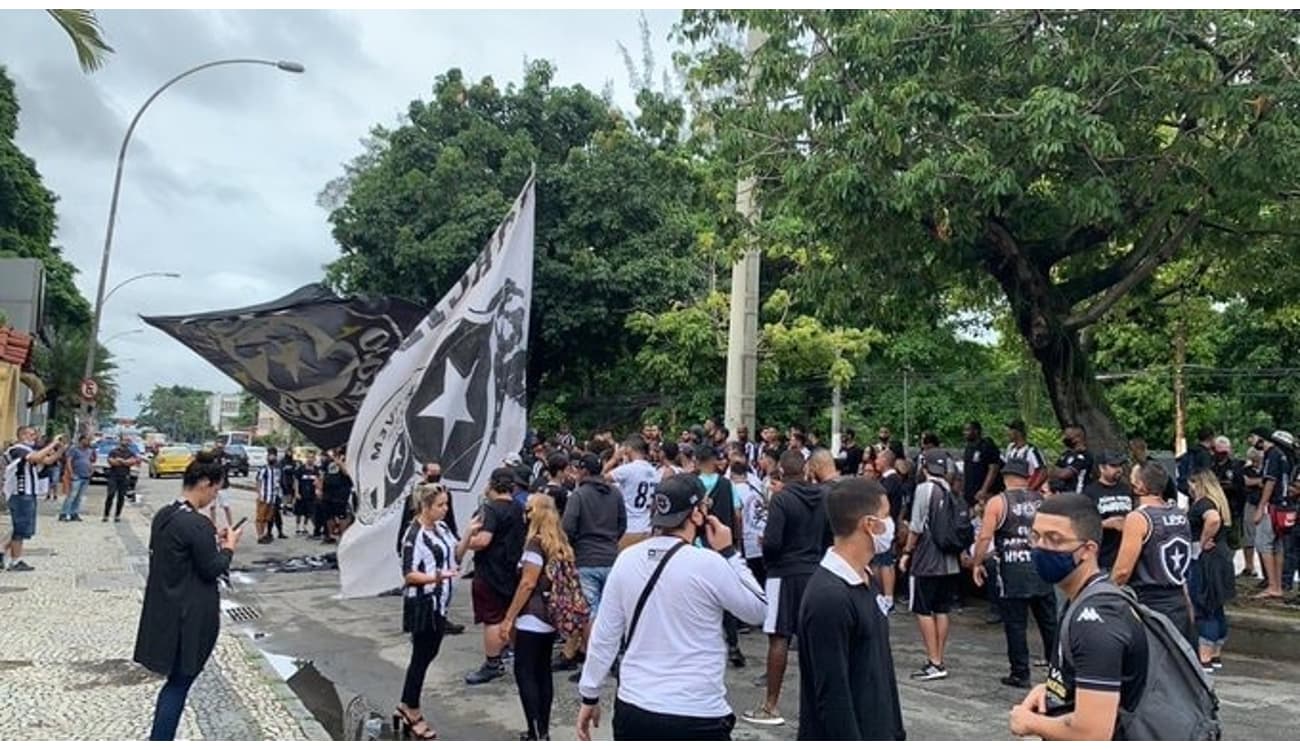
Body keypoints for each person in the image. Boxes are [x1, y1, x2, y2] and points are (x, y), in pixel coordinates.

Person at [575, 473, 767, 741]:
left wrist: (590, 694)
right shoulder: (709, 564)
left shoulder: (626, 560)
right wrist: (729, 553)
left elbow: (605, 636)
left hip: (635, 707)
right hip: (696, 711)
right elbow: (758, 609)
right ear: (697, 514)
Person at [1008, 494, 1149, 741]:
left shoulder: (1095, 622)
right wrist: (1053, 690)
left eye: (1054, 539)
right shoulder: (1084, 597)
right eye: (1036, 536)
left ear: (1087, 550)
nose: (1041, 547)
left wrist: (1030, 722)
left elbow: (1093, 733)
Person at [133, 454, 243, 740]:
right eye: (216, 491)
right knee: (179, 683)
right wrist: (229, 547)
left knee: (176, 682)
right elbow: (212, 568)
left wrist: (211, 540)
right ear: (205, 483)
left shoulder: (166, 515)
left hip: (167, 608)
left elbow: (183, 556)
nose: (214, 498)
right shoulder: (197, 524)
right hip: (190, 615)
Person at [796, 477, 905, 740]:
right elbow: (833, 695)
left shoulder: (866, 580)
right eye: (886, 516)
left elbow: (880, 668)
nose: (892, 526)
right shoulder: (829, 598)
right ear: (869, 524)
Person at [743, 449, 830, 726]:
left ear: (781, 471)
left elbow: (771, 542)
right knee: (813, 638)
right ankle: (819, 704)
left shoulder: (782, 500)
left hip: (783, 573)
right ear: (805, 470)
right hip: (814, 572)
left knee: (779, 636)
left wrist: (769, 561)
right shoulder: (823, 497)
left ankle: (771, 705)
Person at [971, 457, 1057, 688]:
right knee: (1049, 622)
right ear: (1027, 477)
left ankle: (1021, 673)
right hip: (1042, 566)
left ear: (1005, 477)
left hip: (1012, 569)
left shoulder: (998, 503)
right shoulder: (1043, 500)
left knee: (1016, 624)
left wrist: (977, 563)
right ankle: (1057, 668)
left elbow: (985, 537)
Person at [395, 483, 464, 740]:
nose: (445, 510)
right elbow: (409, 574)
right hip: (423, 603)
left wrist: (469, 536)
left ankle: (406, 704)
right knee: (421, 657)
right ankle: (410, 708)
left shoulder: (442, 528)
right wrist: (436, 576)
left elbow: (455, 553)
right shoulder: (413, 535)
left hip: (440, 601)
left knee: (427, 654)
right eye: (440, 505)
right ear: (425, 506)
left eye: (446, 505)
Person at [502, 494, 572, 740]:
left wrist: (509, 618)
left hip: (532, 616)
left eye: (529, 509)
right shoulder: (560, 542)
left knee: (526, 673)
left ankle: (534, 732)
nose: (525, 513)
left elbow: (527, 583)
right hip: (551, 617)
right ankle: (543, 730)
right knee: (543, 672)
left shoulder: (535, 545)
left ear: (539, 512)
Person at [556, 453, 626, 675]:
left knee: (590, 613)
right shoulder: (615, 493)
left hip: (586, 560)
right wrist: (610, 540)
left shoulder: (579, 495)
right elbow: (622, 524)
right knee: (611, 613)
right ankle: (613, 657)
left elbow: (567, 527)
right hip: (611, 557)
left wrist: (574, 547)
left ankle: (593, 663)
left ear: (584, 471)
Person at [1112, 461, 1195, 645]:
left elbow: (1122, 571)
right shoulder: (1180, 514)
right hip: (1177, 598)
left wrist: (1108, 591)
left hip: (1150, 602)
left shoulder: (1139, 518)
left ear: (1140, 485)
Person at [899, 449, 961, 681]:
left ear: (924, 467)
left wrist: (906, 553)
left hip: (927, 559)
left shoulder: (924, 489)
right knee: (942, 609)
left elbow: (916, 526)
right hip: (949, 561)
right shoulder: (949, 490)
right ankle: (939, 657)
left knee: (923, 609)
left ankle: (934, 661)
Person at [464, 467, 526, 685]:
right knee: (511, 615)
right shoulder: (520, 508)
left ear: (492, 484)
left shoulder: (490, 510)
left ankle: (492, 663)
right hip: (512, 569)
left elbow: (483, 541)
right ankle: (519, 656)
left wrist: (463, 542)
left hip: (490, 570)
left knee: (492, 618)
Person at [1186, 471, 1235, 672]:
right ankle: (1215, 653)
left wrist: (1202, 541)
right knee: (1216, 607)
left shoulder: (1204, 503)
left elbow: (1212, 519)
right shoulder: (1219, 501)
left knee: (1204, 605)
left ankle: (1204, 655)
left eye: (1191, 484)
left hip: (1207, 560)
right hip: (1222, 557)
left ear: (1198, 484)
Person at [3, 426, 63, 571]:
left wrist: (61, 449)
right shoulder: (17, 449)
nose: (34, 437)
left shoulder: (29, 450)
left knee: (22, 528)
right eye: (31, 434)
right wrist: (52, 444)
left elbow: (47, 461)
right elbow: (35, 458)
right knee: (20, 529)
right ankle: (15, 561)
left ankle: (4, 553)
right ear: (22, 435)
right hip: (20, 492)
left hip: (29, 493)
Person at [1250, 427, 1293, 599]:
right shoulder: (1283, 455)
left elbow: (1270, 482)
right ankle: (1278, 584)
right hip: (1284, 505)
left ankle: (1273, 585)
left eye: (1252, 437)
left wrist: (1261, 507)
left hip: (1272, 506)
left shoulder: (1271, 454)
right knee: (1278, 545)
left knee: (1264, 543)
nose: (1251, 441)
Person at [1081, 451, 1134, 573]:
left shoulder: (1126, 489)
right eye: (1114, 466)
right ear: (1102, 468)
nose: (1119, 470)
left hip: (1125, 553)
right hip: (1102, 557)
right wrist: (1106, 524)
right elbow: (1083, 524)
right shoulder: (1090, 492)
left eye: (1120, 466)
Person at [605, 435, 659, 550]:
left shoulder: (628, 469)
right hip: (647, 528)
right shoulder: (654, 472)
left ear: (628, 449)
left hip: (629, 528)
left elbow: (600, 478)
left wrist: (614, 459)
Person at [873, 449, 904, 611]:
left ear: (886, 460)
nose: (875, 461)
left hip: (886, 526)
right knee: (880, 561)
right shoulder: (886, 479)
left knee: (885, 562)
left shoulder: (891, 480)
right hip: (882, 525)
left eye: (878, 458)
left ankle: (888, 596)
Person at [733, 458, 767, 587]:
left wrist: (738, 539)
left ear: (732, 475)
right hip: (762, 538)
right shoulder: (756, 487)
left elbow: (737, 516)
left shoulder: (734, 490)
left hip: (748, 542)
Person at [963, 421, 1003, 503]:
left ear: (976, 431)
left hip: (985, 493)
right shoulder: (969, 448)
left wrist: (984, 489)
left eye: (967, 430)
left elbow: (993, 468)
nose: (964, 433)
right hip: (971, 493)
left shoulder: (986, 445)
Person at [1047, 424, 1093, 495]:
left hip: (1078, 495)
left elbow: (1064, 474)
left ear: (1078, 438)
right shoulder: (1066, 454)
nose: (1064, 438)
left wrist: (1057, 471)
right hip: (1063, 495)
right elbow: (1050, 472)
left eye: (1067, 436)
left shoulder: (1084, 456)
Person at [1240, 446, 1264, 580]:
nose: (1256, 462)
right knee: (1248, 535)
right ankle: (1249, 566)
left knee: (1263, 537)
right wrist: (1259, 482)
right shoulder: (1245, 470)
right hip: (1250, 503)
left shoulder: (1266, 469)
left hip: (1263, 503)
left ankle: (1263, 567)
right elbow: (1246, 481)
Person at [103, 433, 139, 523]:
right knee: (110, 495)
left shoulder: (131, 452)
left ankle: (117, 515)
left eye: (128, 440)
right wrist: (124, 462)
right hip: (113, 476)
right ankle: (106, 515)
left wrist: (121, 461)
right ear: (120, 441)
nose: (126, 442)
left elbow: (132, 462)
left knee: (121, 497)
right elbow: (111, 462)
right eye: (124, 440)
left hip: (124, 476)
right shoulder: (114, 451)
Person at [59, 435, 95, 522]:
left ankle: (74, 513)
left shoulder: (89, 451)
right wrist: (71, 473)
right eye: (86, 440)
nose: (88, 442)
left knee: (79, 497)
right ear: (81, 440)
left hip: (86, 476)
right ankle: (64, 513)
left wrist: (91, 470)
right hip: (76, 475)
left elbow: (89, 461)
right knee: (71, 496)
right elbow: (69, 461)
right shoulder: (74, 450)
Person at [1004, 419, 1046, 492]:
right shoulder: (1010, 449)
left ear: (1017, 432)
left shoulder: (1032, 451)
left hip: (1026, 488)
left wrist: (1030, 489)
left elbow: (1043, 471)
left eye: (1010, 430)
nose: (1008, 433)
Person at [255, 447, 284, 544]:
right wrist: (259, 494)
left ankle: (264, 534)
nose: (272, 458)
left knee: (268, 518)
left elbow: (277, 483)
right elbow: (258, 481)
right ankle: (260, 536)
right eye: (270, 456)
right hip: (264, 496)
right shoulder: (263, 469)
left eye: (274, 456)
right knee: (260, 517)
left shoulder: (276, 470)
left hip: (273, 497)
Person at [207, 439, 235, 530]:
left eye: (221, 445)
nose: (219, 447)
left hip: (223, 485)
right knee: (212, 506)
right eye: (218, 445)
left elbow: (227, 468)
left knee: (226, 506)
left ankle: (231, 526)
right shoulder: (211, 456)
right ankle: (213, 525)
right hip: (212, 484)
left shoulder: (226, 456)